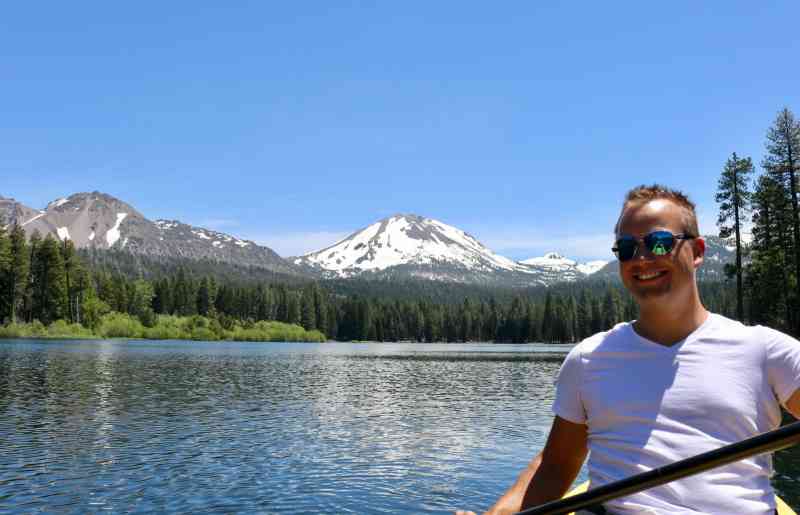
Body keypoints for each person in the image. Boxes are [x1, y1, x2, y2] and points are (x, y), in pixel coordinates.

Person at [457, 184, 800, 515]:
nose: (642, 258)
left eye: (659, 243)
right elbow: (556, 466)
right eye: (626, 248)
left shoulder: (766, 351)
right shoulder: (588, 359)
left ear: (697, 252)